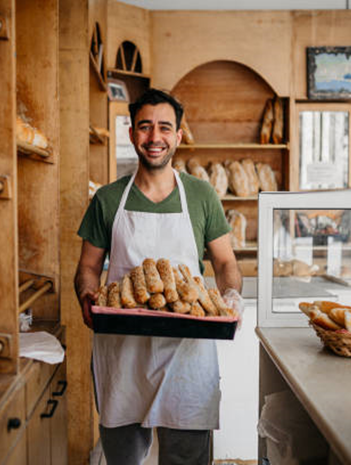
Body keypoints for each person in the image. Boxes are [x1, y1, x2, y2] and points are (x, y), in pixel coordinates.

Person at [74, 88, 243, 465]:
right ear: (132, 133)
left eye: (165, 128)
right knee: (122, 459)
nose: (155, 138)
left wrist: (230, 296)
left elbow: (225, 263)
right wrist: (88, 297)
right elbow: (88, 267)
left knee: (186, 458)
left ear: (179, 136)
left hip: (187, 354)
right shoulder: (107, 198)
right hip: (123, 355)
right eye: (145, 127)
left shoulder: (201, 195)